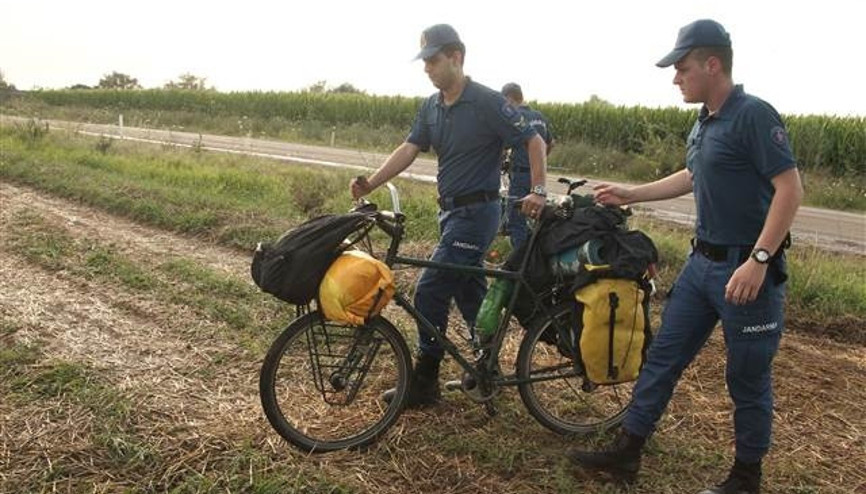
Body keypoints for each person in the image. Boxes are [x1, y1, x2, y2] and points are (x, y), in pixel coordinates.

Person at [568, 19, 803, 494]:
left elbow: (790, 189)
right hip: (701, 267)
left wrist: (759, 259)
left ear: (711, 64)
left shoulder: (754, 115)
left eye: (682, 69)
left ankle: (745, 478)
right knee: (662, 358)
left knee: (747, 376)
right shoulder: (705, 120)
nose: (676, 78)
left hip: (745, 272)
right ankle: (628, 451)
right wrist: (631, 193)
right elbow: (692, 176)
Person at [350, 24, 549, 407]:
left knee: (430, 289)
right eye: (424, 61)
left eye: (433, 60)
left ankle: (425, 381)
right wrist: (371, 183)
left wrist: (538, 190)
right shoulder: (431, 106)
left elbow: (534, 140)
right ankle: (485, 366)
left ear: (456, 57)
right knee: (466, 286)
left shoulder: (488, 102)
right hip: (450, 213)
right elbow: (409, 148)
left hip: (478, 213)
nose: (427, 68)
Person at [501, 82, 555, 250]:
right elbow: (551, 143)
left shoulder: (517, 118)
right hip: (538, 176)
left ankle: (519, 262)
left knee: (516, 219)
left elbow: (503, 145)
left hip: (520, 175)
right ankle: (535, 254)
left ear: (509, 98)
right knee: (534, 216)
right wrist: (540, 160)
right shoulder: (539, 116)